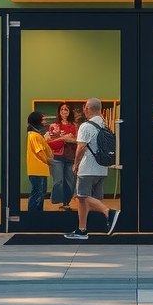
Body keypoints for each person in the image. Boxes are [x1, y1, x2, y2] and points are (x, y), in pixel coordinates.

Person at [64, 97, 121, 240]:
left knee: (81, 196)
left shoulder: (85, 126)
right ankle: (82, 230)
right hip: (101, 168)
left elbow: (81, 147)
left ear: (87, 108)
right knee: (88, 199)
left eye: (84, 106)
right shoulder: (104, 125)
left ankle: (108, 212)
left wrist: (75, 164)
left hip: (87, 168)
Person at [46, 102, 78, 210]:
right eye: (62, 110)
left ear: (69, 112)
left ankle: (66, 203)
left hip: (71, 156)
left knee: (70, 181)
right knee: (58, 181)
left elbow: (77, 140)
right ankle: (58, 202)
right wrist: (64, 138)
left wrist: (67, 139)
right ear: (59, 112)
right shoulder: (53, 126)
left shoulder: (74, 126)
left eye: (66, 110)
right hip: (57, 156)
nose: (64, 112)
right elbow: (50, 142)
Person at [26, 112, 53, 212]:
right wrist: (48, 160)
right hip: (37, 169)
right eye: (42, 120)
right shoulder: (34, 135)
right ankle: (33, 214)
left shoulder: (36, 135)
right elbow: (39, 151)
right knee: (37, 192)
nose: (45, 122)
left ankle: (38, 213)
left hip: (41, 169)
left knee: (41, 192)